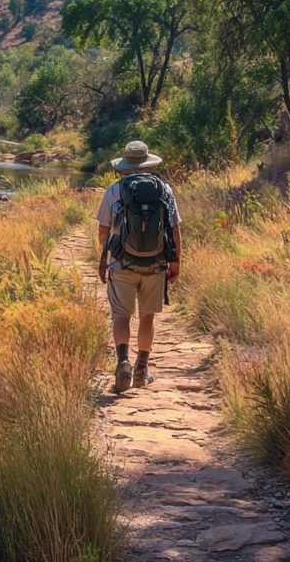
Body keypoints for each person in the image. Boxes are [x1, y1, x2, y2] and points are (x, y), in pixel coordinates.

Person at [95, 140, 181, 393]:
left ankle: (123, 363)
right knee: (147, 316)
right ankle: (142, 369)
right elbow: (174, 229)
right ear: (149, 164)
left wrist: (108, 257)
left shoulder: (113, 190)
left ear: (124, 165)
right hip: (156, 264)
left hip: (122, 263)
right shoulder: (165, 189)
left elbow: (103, 231)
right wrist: (175, 261)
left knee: (121, 315)